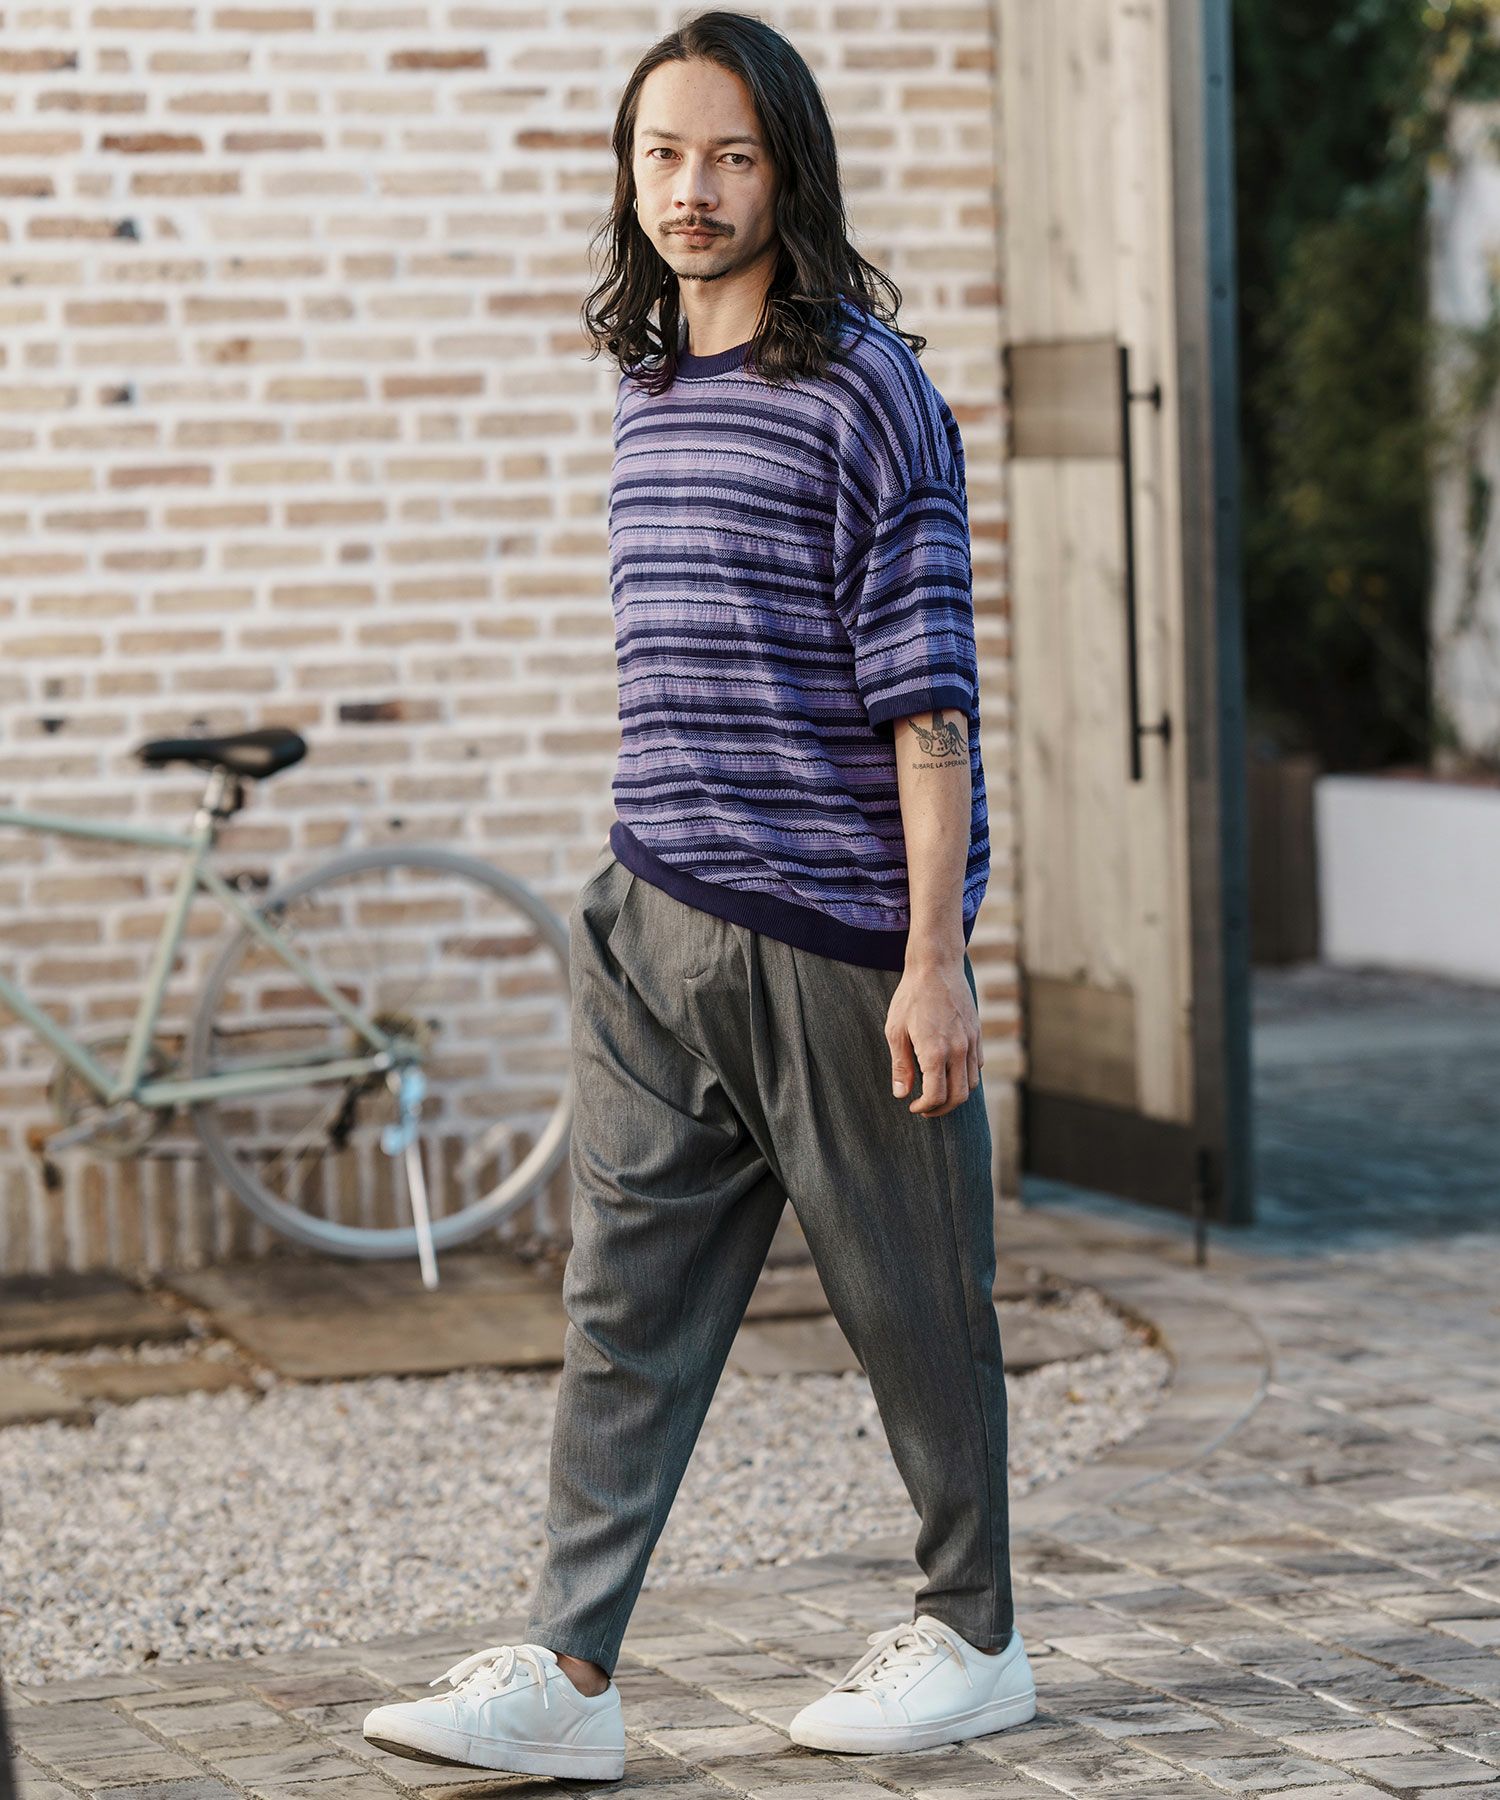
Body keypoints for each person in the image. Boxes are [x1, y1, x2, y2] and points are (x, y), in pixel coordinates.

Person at [364, 9, 1035, 1777]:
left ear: (787, 170)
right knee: (623, 1313)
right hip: (652, 917)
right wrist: (630, 903)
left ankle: (977, 1637)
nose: (693, 189)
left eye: (731, 155)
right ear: (628, 175)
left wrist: (936, 957)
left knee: (915, 1307)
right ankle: (568, 1676)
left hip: (834, 940)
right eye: (663, 155)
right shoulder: (651, 386)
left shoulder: (870, 392)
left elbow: (930, 701)